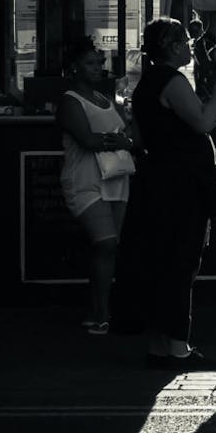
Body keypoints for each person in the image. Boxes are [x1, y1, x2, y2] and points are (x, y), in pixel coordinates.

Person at [126, 17, 216, 370]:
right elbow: (203, 122)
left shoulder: (146, 83)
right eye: (186, 40)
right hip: (181, 186)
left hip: (157, 181)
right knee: (182, 261)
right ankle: (177, 347)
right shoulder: (172, 81)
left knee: (161, 261)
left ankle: (160, 344)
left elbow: (141, 139)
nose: (191, 46)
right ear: (172, 46)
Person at [57, 36, 134, 335]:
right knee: (105, 243)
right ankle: (103, 311)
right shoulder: (70, 101)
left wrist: (123, 138)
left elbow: (127, 132)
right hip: (86, 179)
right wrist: (118, 140)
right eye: (90, 63)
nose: (98, 68)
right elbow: (87, 140)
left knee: (109, 248)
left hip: (115, 177)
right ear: (74, 67)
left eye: (99, 62)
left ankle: (97, 309)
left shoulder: (107, 98)